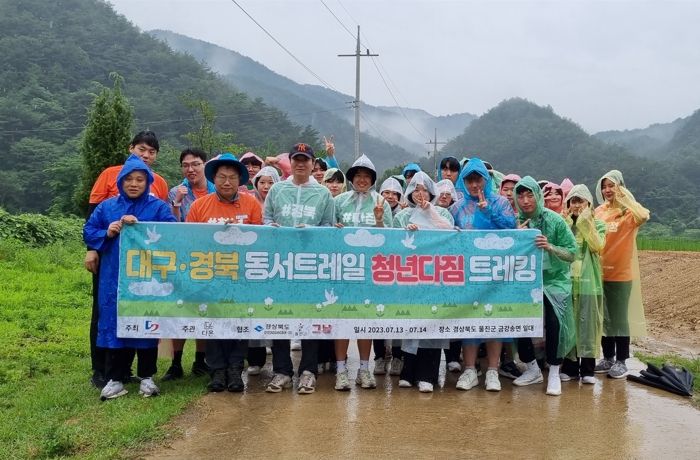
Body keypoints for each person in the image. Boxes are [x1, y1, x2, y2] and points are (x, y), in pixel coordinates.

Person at [83, 154, 177, 400]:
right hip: (113, 276)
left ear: (147, 182)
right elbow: (89, 230)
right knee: (115, 323)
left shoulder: (158, 207)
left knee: (147, 322)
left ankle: (147, 377)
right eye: (129, 179)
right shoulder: (107, 207)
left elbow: (172, 232)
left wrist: (142, 226)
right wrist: (108, 231)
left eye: (140, 180)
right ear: (121, 181)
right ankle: (115, 378)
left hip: (147, 277)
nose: (134, 184)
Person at [186, 153, 263, 392]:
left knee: (239, 323)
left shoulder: (252, 204)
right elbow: (189, 241)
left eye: (232, 177)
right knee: (213, 322)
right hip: (210, 275)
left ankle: (235, 370)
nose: (227, 182)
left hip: (242, 277)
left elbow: (261, 239)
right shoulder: (199, 206)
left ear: (240, 180)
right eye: (222, 177)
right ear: (214, 178)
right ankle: (217, 371)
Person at [263, 142, 335, 394]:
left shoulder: (323, 194)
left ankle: (308, 371)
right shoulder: (277, 190)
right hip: (280, 264)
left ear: (313, 164)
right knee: (279, 316)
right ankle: (282, 371)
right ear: (290, 162)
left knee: (310, 316)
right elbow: (266, 219)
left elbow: (329, 227)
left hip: (310, 265)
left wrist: (312, 231)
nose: (301, 164)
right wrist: (271, 228)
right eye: (297, 159)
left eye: (306, 160)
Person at [450, 158, 516, 392]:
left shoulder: (500, 202)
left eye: (478, 180)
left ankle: (492, 371)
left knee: (493, 320)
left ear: (486, 180)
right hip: (467, 274)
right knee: (469, 320)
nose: (474, 185)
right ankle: (469, 370)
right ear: (464, 182)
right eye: (469, 180)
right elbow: (447, 234)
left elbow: (512, 229)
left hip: (496, 273)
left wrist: (489, 212)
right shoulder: (457, 207)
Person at [512, 176, 577, 396]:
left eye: (530, 195)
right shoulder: (515, 221)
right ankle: (532, 369)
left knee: (554, 321)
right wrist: (514, 237)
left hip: (554, 281)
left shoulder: (555, 220)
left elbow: (572, 253)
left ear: (538, 196)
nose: (525, 201)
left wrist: (550, 247)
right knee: (519, 320)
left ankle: (554, 371)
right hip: (524, 281)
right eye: (521, 196)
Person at [333, 154, 392, 391]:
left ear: (373, 179)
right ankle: (341, 371)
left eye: (367, 176)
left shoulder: (380, 202)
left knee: (365, 321)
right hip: (343, 270)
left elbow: (391, 239)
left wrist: (378, 221)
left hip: (370, 272)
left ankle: (364, 370)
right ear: (351, 178)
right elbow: (327, 231)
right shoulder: (339, 201)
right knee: (342, 321)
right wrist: (334, 228)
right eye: (358, 175)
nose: (362, 180)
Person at [392, 172, 454, 392]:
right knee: (411, 323)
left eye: (424, 190)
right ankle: (408, 372)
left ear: (431, 192)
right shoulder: (403, 215)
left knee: (432, 324)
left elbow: (451, 234)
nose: (420, 194)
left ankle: (428, 375)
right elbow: (393, 243)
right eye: (416, 189)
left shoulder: (443, 212)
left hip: (435, 277)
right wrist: (407, 234)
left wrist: (430, 212)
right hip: (410, 277)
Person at [161, 148, 216, 382]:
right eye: (185, 165)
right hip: (183, 260)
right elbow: (171, 227)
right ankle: (175, 363)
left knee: (205, 309)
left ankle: (200, 360)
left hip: (212, 260)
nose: (190, 169)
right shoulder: (176, 192)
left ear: (205, 165)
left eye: (195, 164)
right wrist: (177, 203)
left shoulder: (216, 190)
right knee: (180, 309)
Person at [593, 170, 649, 379]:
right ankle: (607, 357)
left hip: (620, 274)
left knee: (619, 318)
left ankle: (621, 360)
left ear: (621, 187)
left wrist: (625, 198)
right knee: (604, 317)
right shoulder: (599, 211)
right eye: (604, 187)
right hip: (599, 273)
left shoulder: (629, 213)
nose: (607, 190)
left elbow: (644, 215)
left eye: (612, 185)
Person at [560, 184, 606, 384]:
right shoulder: (564, 224)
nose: (577, 205)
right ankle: (570, 367)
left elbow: (597, 246)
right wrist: (567, 222)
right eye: (573, 201)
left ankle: (588, 369)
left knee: (589, 325)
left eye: (581, 201)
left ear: (589, 204)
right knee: (569, 324)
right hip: (567, 282)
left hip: (589, 283)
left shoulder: (599, 224)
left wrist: (585, 222)